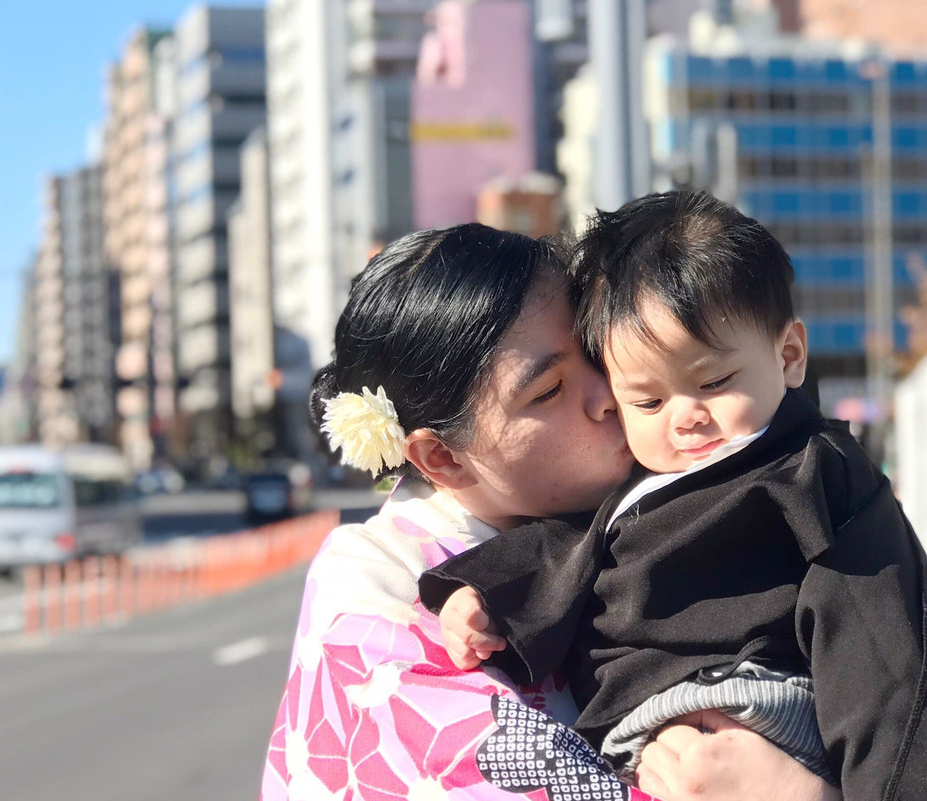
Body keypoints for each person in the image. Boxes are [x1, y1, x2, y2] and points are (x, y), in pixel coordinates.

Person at [261, 222, 840, 800]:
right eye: (548, 391)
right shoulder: (377, 587)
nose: (609, 394)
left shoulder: (689, 480)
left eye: (595, 352)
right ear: (441, 457)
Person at [420, 193, 927, 800]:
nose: (685, 417)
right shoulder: (634, 479)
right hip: (632, 742)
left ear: (788, 356)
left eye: (713, 381)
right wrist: (490, 597)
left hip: (762, 708)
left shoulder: (816, 471)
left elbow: (883, 655)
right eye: (648, 401)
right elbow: (567, 549)